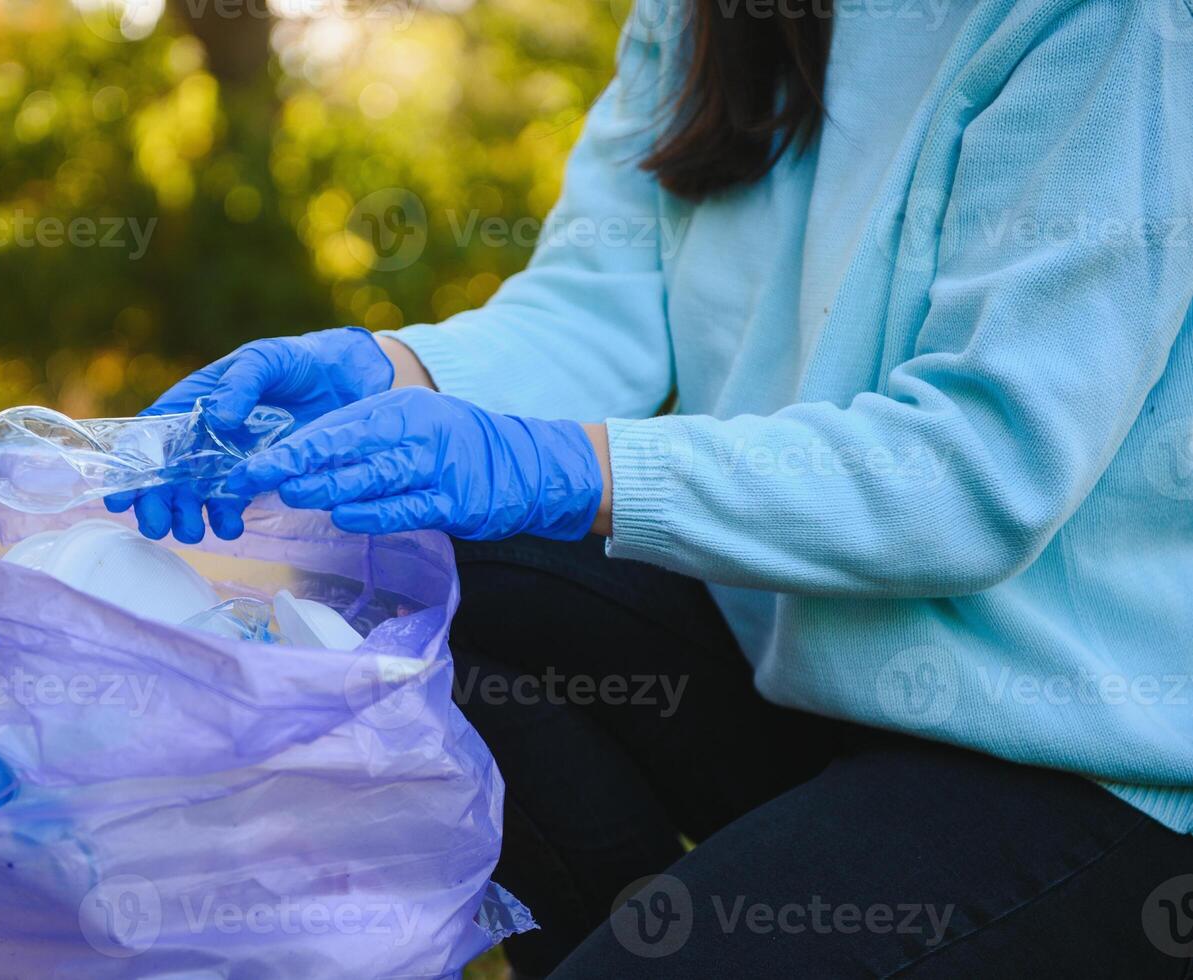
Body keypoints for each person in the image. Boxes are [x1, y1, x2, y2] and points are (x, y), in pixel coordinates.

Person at [111, 0, 1193, 974]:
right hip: (809, 672)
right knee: (405, 572)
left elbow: (975, 473)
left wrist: (574, 467)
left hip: (1076, 750)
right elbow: (604, 304)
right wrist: (390, 370)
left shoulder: (1115, 25)